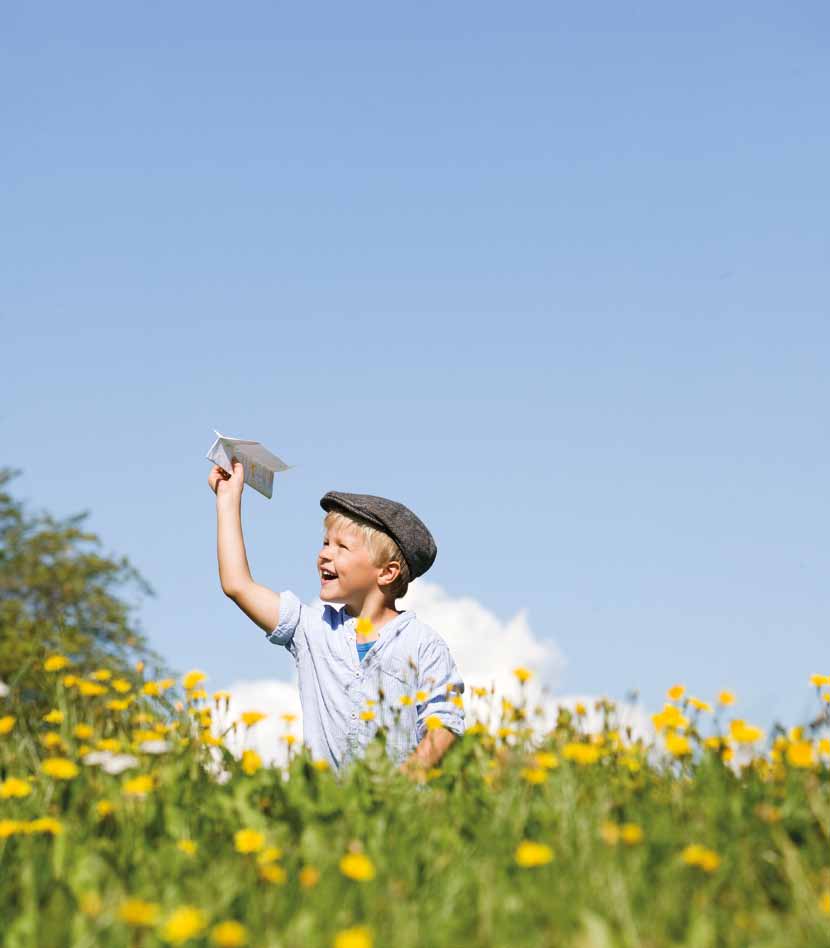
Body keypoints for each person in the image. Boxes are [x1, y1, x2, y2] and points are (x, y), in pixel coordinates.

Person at [208, 459, 465, 779]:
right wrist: (228, 499)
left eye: (341, 547)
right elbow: (237, 585)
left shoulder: (424, 645)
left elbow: (445, 724)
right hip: (329, 813)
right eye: (325, 543)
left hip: (398, 815)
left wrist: (401, 787)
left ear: (386, 573)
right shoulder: (311, 630)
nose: (324, 554)